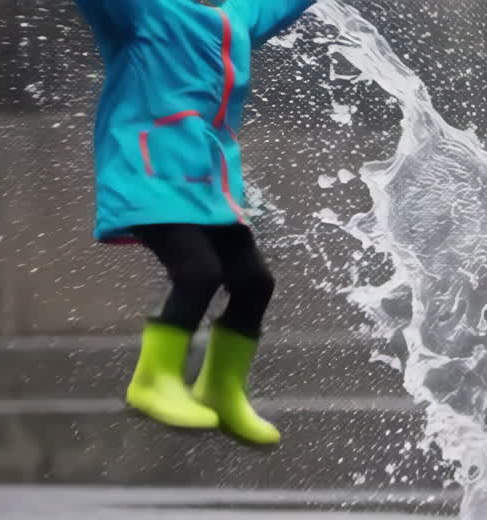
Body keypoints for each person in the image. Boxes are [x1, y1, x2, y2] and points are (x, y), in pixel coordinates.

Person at [73, 0, 317, 445]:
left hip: (209, 188)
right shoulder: (145, 12)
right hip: (147, 176)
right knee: (199, 271)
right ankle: (153, 379)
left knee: (254, 282)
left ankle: (221, 388)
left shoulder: (234, 20)